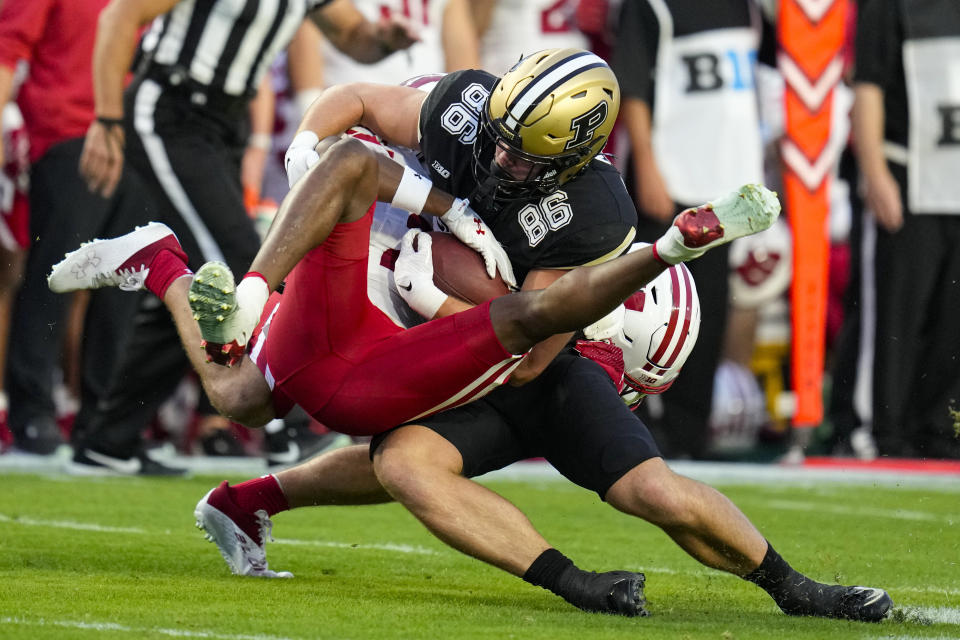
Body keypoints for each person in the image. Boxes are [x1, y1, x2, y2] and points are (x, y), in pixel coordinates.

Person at [51, 47, 888, 622]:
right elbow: (358, 108)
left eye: (525, 161)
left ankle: (791, 584)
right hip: (390, 250)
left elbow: (534, 345)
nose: (502, 163)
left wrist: (446, 300)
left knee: (318, 417)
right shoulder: (467, 108)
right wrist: (323, 160)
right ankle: (240, 296)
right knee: (312, 397)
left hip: (495, 348)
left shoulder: (592, 214)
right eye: (500, 142)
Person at [67, 0, 420, 474]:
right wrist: (107, 120)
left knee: (201, 275)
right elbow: (119, 16)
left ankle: (109, 439)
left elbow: (353, 35)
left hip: (223, 123)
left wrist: (385, 39)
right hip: (171, 109)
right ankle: (286, 432)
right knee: (242, 266)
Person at [0, 0, 164, 462]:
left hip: (137, 139)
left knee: (127, 286)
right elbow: (8, 45)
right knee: (54, 278)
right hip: (68, 133)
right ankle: (32, 413)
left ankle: (105, 426)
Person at [610, 0, 772, 458]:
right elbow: (635, 88)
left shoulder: (747, 8)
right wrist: (647, 162)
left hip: (725, 186)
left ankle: (689, 433)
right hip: (673, 176)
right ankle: (633, 426)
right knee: (646, 311)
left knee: (709, 313)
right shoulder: (652, 6)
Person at [833, 0, 960, 459]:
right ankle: (876, 429)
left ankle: (938, 430)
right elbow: (867, 86)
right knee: (891, 317)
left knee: (952, 320)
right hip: (908, 174)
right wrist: (875, 169)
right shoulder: (887, 6)